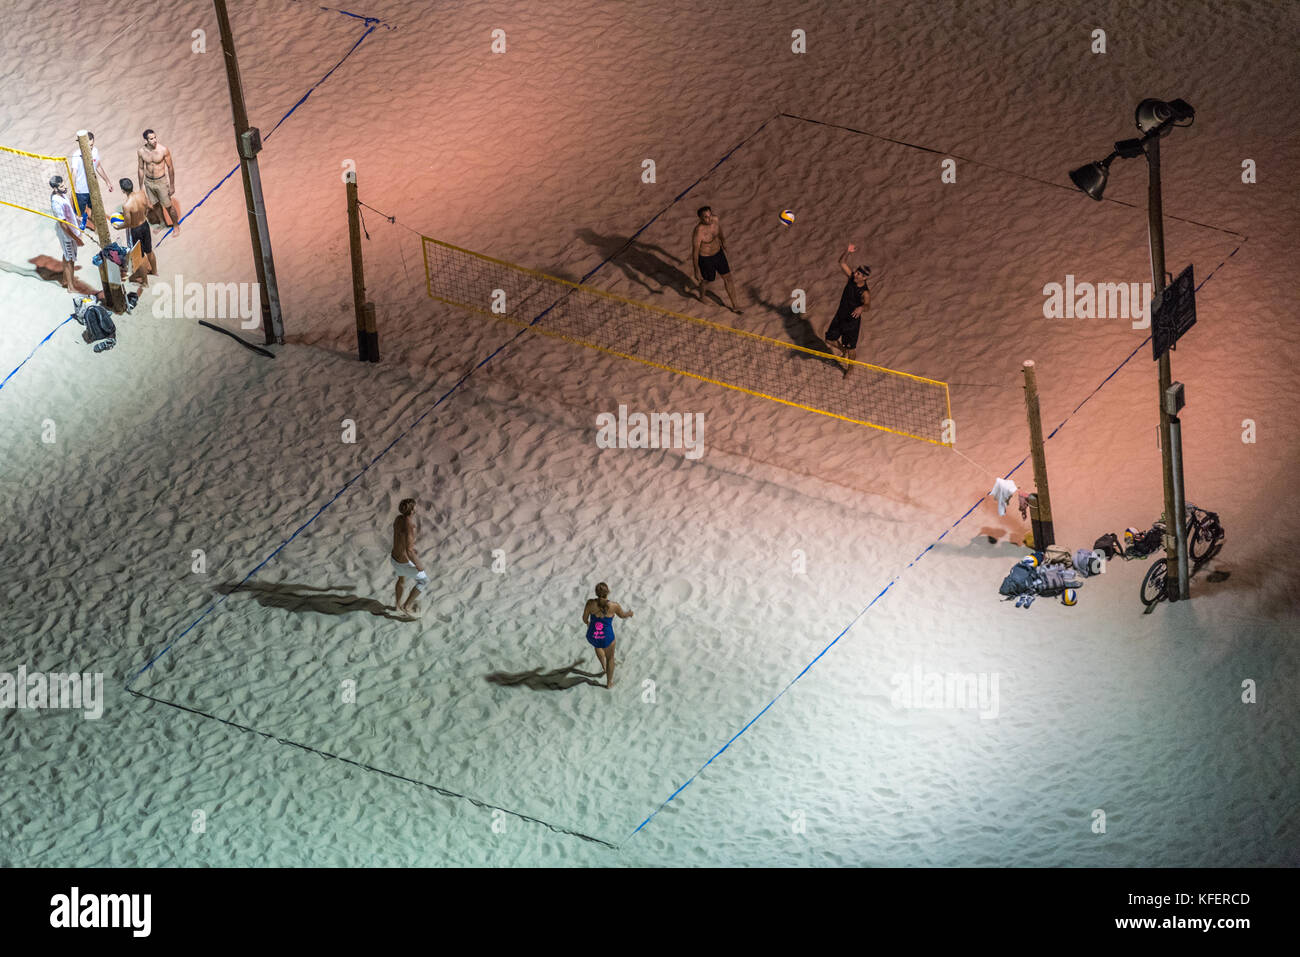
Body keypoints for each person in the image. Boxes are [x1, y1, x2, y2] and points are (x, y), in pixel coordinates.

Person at [823, 243, 871, 371]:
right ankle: (842, 349)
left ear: (865, 278)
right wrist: (847, 251)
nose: (855, 274)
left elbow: (868, 305)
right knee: (829, 339)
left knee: (851, 350)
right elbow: (842, 262)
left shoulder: (865, 292)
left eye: (859, 274)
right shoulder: (851, 278)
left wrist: (861, 308)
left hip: (852, 322)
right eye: (856, 272)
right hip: (840, 316)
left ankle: (850, 369)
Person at [582, 582, 633, 689]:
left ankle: (604, 668)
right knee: (610, 658)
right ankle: (609, 683)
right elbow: (622, 615)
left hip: (593, 634)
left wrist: (588, 624)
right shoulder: (614, 606)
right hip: (607, 637)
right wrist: (630, 613)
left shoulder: (590, 603)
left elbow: (584, 619)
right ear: (608, 592)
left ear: (596, 593)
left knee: (597, 646)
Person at [691, 206, 742, 313]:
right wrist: (696, 270)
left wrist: (723, 242)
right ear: (700, 218)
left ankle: (735, 305)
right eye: (705, 217)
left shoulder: (715, 220)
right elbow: (695, 252)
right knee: (708, 280)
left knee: (728, 278)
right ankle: (702, 295)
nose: (709, 219)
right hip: (706, 259)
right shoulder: (698, 232)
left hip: (718, 254)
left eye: (710, 215)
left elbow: (719, 231)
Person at [112, 178, 155, 287]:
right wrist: (141, 213)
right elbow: (149, 206)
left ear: (123, 190)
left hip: (135, 230)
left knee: (139, 257)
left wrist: (118, 227)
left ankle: (145, 282)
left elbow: (127, 223)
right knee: (149, 251)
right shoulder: (142, 194)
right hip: (145, 225)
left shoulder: (126, 205)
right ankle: (154, 271)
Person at [137, 129, 180, 233]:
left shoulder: (163, 150)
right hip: (148, 182)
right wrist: (141, 187)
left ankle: (175, 225)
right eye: (151, 139)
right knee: (155, 205)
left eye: (155, 137)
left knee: (169, 206)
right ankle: (162, 223)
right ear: (145, 141)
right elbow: (141, 168)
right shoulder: (141, 152)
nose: (155, 140)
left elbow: (170, 167)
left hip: (161, 181)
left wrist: (172, 185)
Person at [390, 498, 428, 617]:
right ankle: (407, 606)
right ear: (412, 511)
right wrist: (418, 565)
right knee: (424, 580)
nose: (416, 508)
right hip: (403, 562)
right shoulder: (409, 526)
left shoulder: (398, 519)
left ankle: (397, 605)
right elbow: (409, 550)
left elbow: (400, 538)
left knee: (401, 580)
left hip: (394, 558)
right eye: (415, 507)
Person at [68, 132, 112, 230]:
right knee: (80, 211)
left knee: (95, 208)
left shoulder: (95, 151)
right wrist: (74, 188)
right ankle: (84, 219)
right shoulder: (76, 155)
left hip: (93, 188)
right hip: (81, 190)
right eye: (88, 146)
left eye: (92, 145)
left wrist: (107, 181)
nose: (91, 148)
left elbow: (98, 166)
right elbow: (74, 172)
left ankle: (98, 221)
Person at [49, 175, 84, 292]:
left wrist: (76, 218)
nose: (65, 187)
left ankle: (65, 279)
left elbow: (68, 213)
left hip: (72, 231)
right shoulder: (56, 203)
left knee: (67, 255)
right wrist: (76, 238)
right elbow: (63, 225)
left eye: (64, 184)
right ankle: (70, 287)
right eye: (62, 186)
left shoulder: (62, 194)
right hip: (67, 236)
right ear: (55, 189)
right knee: (70, 260)